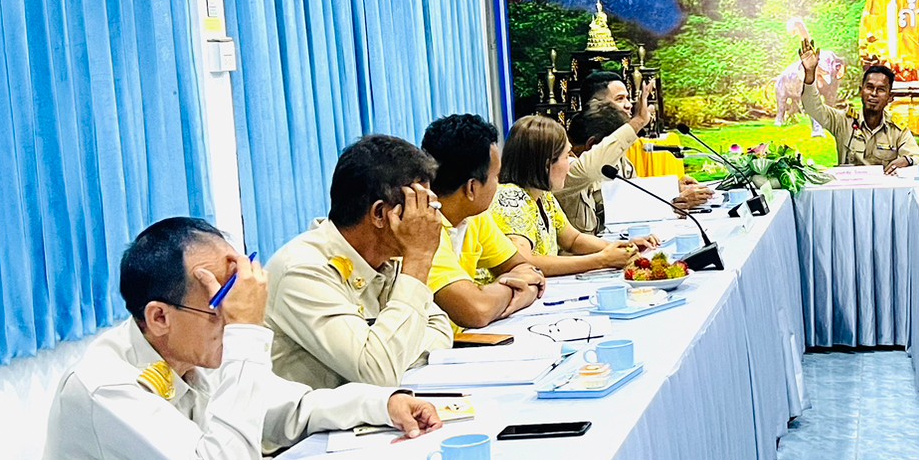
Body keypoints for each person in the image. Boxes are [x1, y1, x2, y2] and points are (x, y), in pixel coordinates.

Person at [41, 218, 442, 460]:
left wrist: (384, 403)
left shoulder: (189, 350)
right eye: (221, 306)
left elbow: (295, 408)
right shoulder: (104, 386)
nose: (233, 319)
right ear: (159, 317)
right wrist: (246, 334)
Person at [267, 135, 455, 388]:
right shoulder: (302, 270)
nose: (432, 219)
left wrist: (393, 354)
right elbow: (377, 372)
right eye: (420, 207)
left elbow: (441, 331)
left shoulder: (388, 260)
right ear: (380, 213)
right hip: (311, 427)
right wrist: (419, 258)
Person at [420, 114, 546, 330]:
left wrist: (517, 289)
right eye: (495, 176)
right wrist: (513, 291)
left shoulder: (474, 215)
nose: (498, 183)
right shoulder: (421, 227)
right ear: (472, 188)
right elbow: (476, 311)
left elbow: (525, 267)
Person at [492, 114, 644, 275]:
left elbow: (573, 240)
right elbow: (523, 261)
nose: (569, 165)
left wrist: (622, 248)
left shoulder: (543, 196)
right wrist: (602, 260)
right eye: (566, 156)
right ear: (546, 164)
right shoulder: (510, 199)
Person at [581, 70, 712, 211]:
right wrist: (640, 120)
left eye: (627, 98)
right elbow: (611, 205)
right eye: (619, 99)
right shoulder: (589, 151)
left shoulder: (623, 151)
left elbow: (633, 193)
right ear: (595, 105)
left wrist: (675, 188)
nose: (628, 105)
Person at [798, 36, 919, 174]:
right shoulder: (843, 121)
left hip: (881, 191)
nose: (874, 94)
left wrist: (907, 160)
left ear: (889, 97)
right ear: (861, 91)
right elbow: (812, 107)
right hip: (849, 191)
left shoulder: (897, 130)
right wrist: (810, 73)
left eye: (881, 90)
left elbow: (918, 159)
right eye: (869, 87)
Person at [561, 86, 658, 235]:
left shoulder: (616, 163)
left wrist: (676, 193)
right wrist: (638, 121)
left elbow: (636, 200)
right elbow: (589, 170)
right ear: (593, 145)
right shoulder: (565, 171)